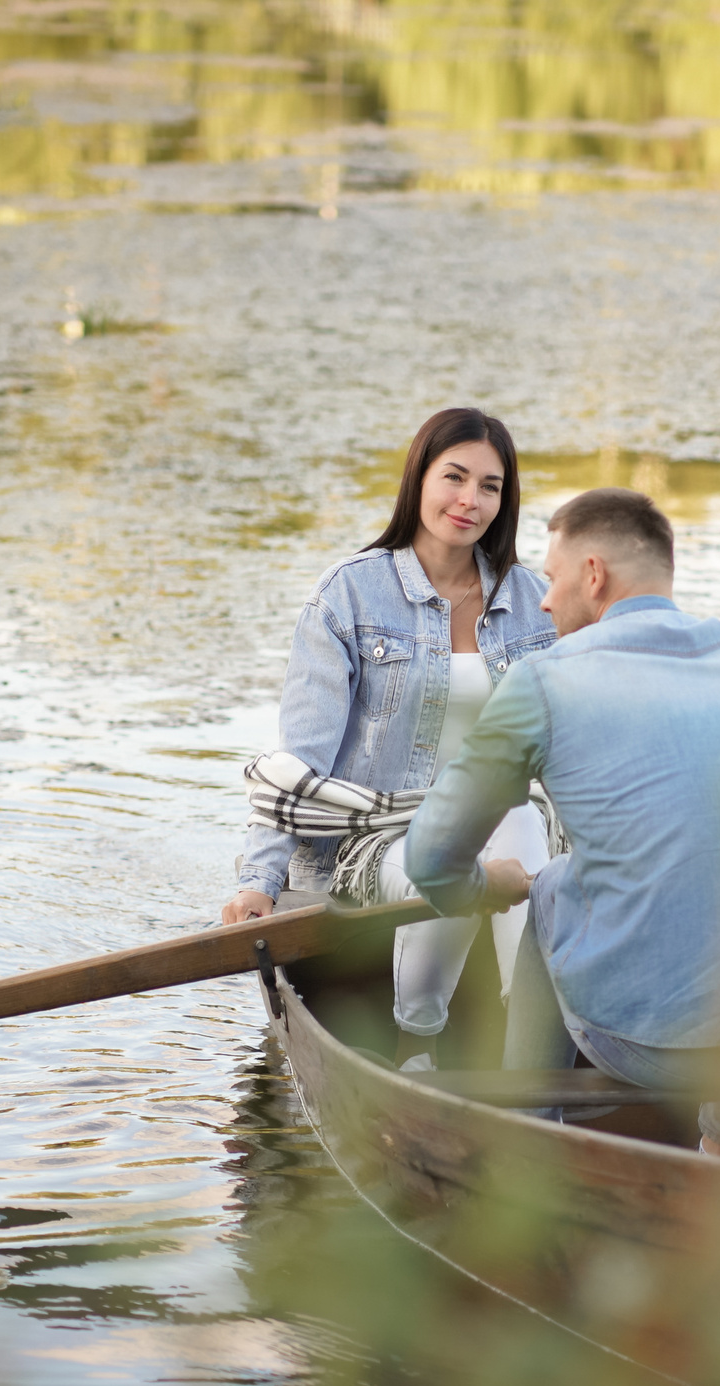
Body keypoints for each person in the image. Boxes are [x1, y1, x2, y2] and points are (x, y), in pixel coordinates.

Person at [401, 487, 720, 1139]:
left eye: (553, 578)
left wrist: (482, 887)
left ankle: (527, 1138)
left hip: (648, 1046)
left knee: (553, 884)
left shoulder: (544, 680)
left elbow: (430, 858)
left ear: (594, 575)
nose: (544, 600)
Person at [222, 408, 560, 1068]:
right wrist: (261, 880)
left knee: (522, 817)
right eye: (454, 477)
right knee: (450, 850)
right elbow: (298, 765)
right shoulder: (349, 595)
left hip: (505, 826)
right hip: (373, 841)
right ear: (419, 478)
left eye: (490, 486)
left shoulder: (533, 602)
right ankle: (418, 1046)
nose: (470, 500)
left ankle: (530, 1048)